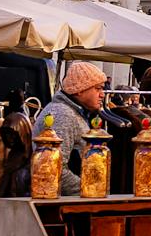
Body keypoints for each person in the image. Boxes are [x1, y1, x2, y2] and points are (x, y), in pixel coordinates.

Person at [39, 61, 108, 196]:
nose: (103, 94)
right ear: (80, 90)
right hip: (66, 205)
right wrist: (89, 190)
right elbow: (54, 169)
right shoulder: (62, 115)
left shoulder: (73, 112)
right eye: (98, 88)